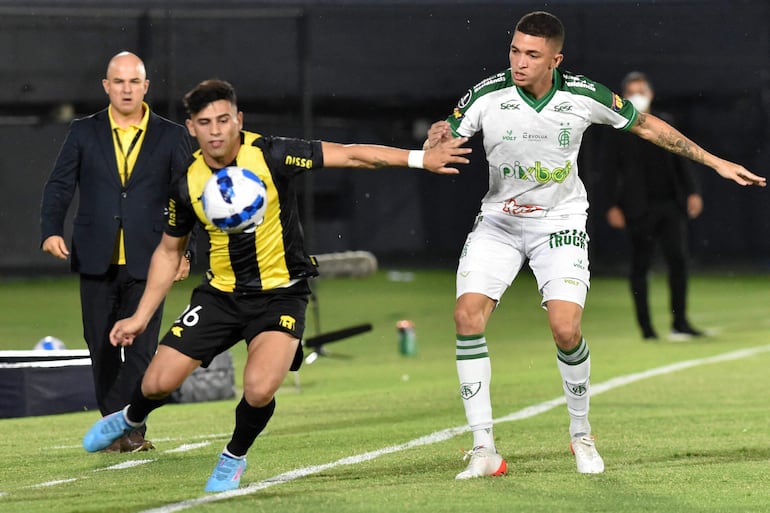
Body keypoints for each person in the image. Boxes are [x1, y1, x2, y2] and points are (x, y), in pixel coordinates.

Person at [81, 79, 470, 492]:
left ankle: (233, 457)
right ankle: (130, 419)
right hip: (220, 297)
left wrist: (418, 159)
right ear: (191, 128)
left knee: (259, 387)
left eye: (224, 120)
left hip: (281, 295)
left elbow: (353, 155)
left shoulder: (272, 153)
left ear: (238, 120)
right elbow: (167, 252)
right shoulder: (187, 183)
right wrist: (141, 316)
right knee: (157, 382)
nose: (216, 130)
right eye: (205, 122)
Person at [424, 11, 765, 479]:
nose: (519, 62)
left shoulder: (582, 95)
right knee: (466, 316)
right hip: (499, 223)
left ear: (555, 59)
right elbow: (447, 130)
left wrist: (714, 161)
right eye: (515, 51)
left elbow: (646, 125)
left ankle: (581, 434)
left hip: (559, 225)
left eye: (532, 55)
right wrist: (437, 136)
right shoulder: (488, 93)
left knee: (566, 329)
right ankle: (483, 448)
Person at [40, 52, 193, 453]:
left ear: (146, 86)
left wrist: (185, 253)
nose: (126, 89)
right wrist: (50, 230)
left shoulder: (172, 135)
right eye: (118, 81)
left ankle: (132, 426)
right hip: (95, 256)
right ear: (106, 86)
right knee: (101, 347)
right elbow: (59, 184)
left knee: (143, 350)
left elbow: (190, 195)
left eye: (134, 81)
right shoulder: (83, 131)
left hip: (153, 258)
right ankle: (115, 430)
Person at [605, 72, 704, 340]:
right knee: (640, 267)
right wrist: (611, 205)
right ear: (623, 98)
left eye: (641, 90)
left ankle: (680, 323)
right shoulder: (617, 128)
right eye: (631, 91)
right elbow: (608, 171)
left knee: (679, 262)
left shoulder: (665, 123)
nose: (637, 96)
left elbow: (681, 157)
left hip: (670, 204)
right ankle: (646, 328)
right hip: (637, 208)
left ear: (650, 94)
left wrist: (692, 191)